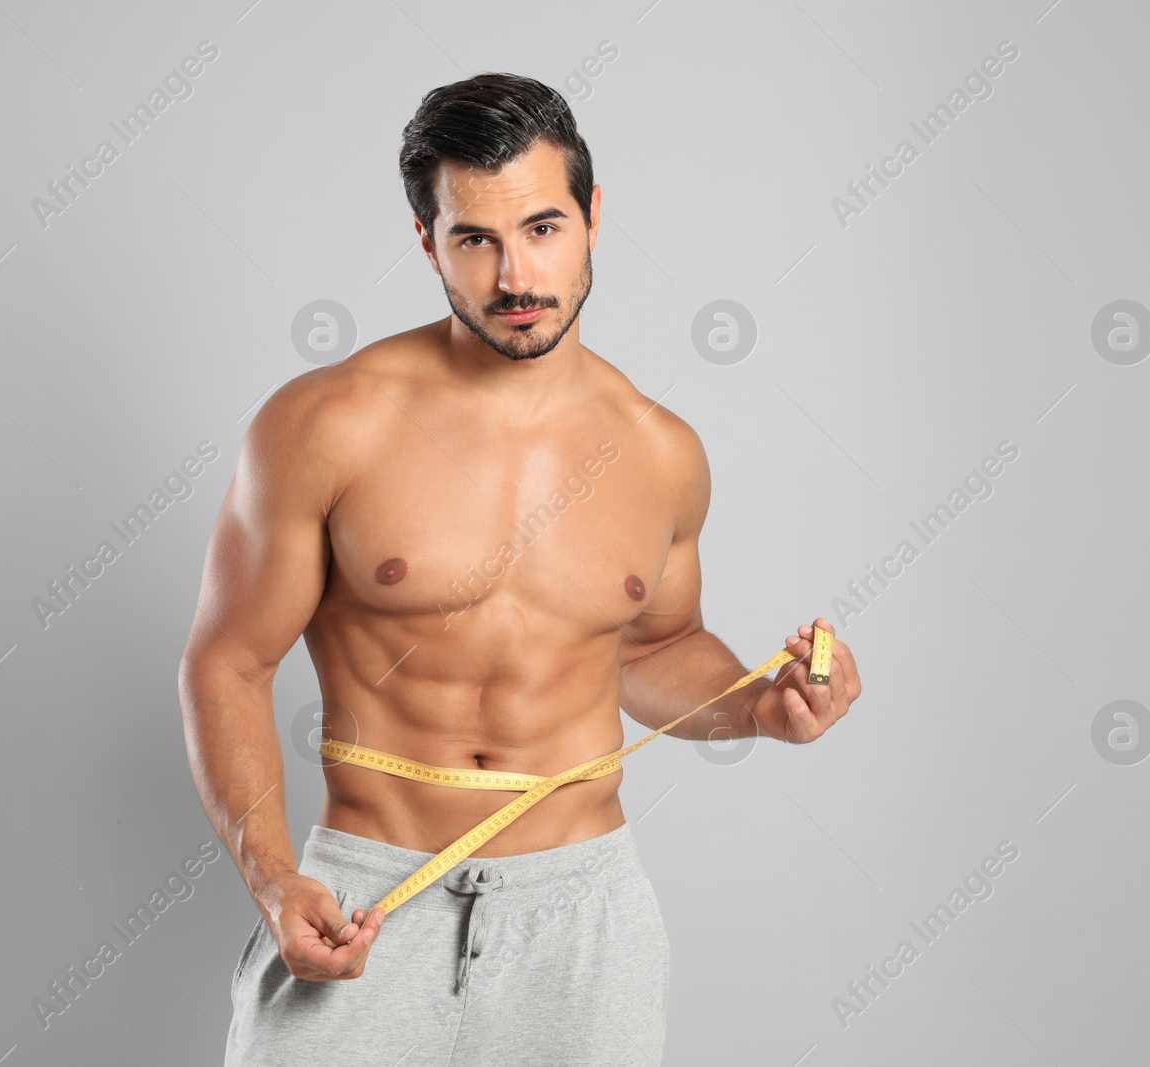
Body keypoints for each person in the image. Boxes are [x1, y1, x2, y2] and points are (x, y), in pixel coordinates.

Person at [179, 71, 861, 1067]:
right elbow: (226, 662)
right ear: (427, 241)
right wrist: (276, 878)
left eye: (542, 228)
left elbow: (658, 648)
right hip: (368, 896)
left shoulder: (659, 450)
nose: (514, 275)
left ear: (591, 216)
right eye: (475, 239)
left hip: (583, 915)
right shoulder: (326, 424)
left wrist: (757, 701)